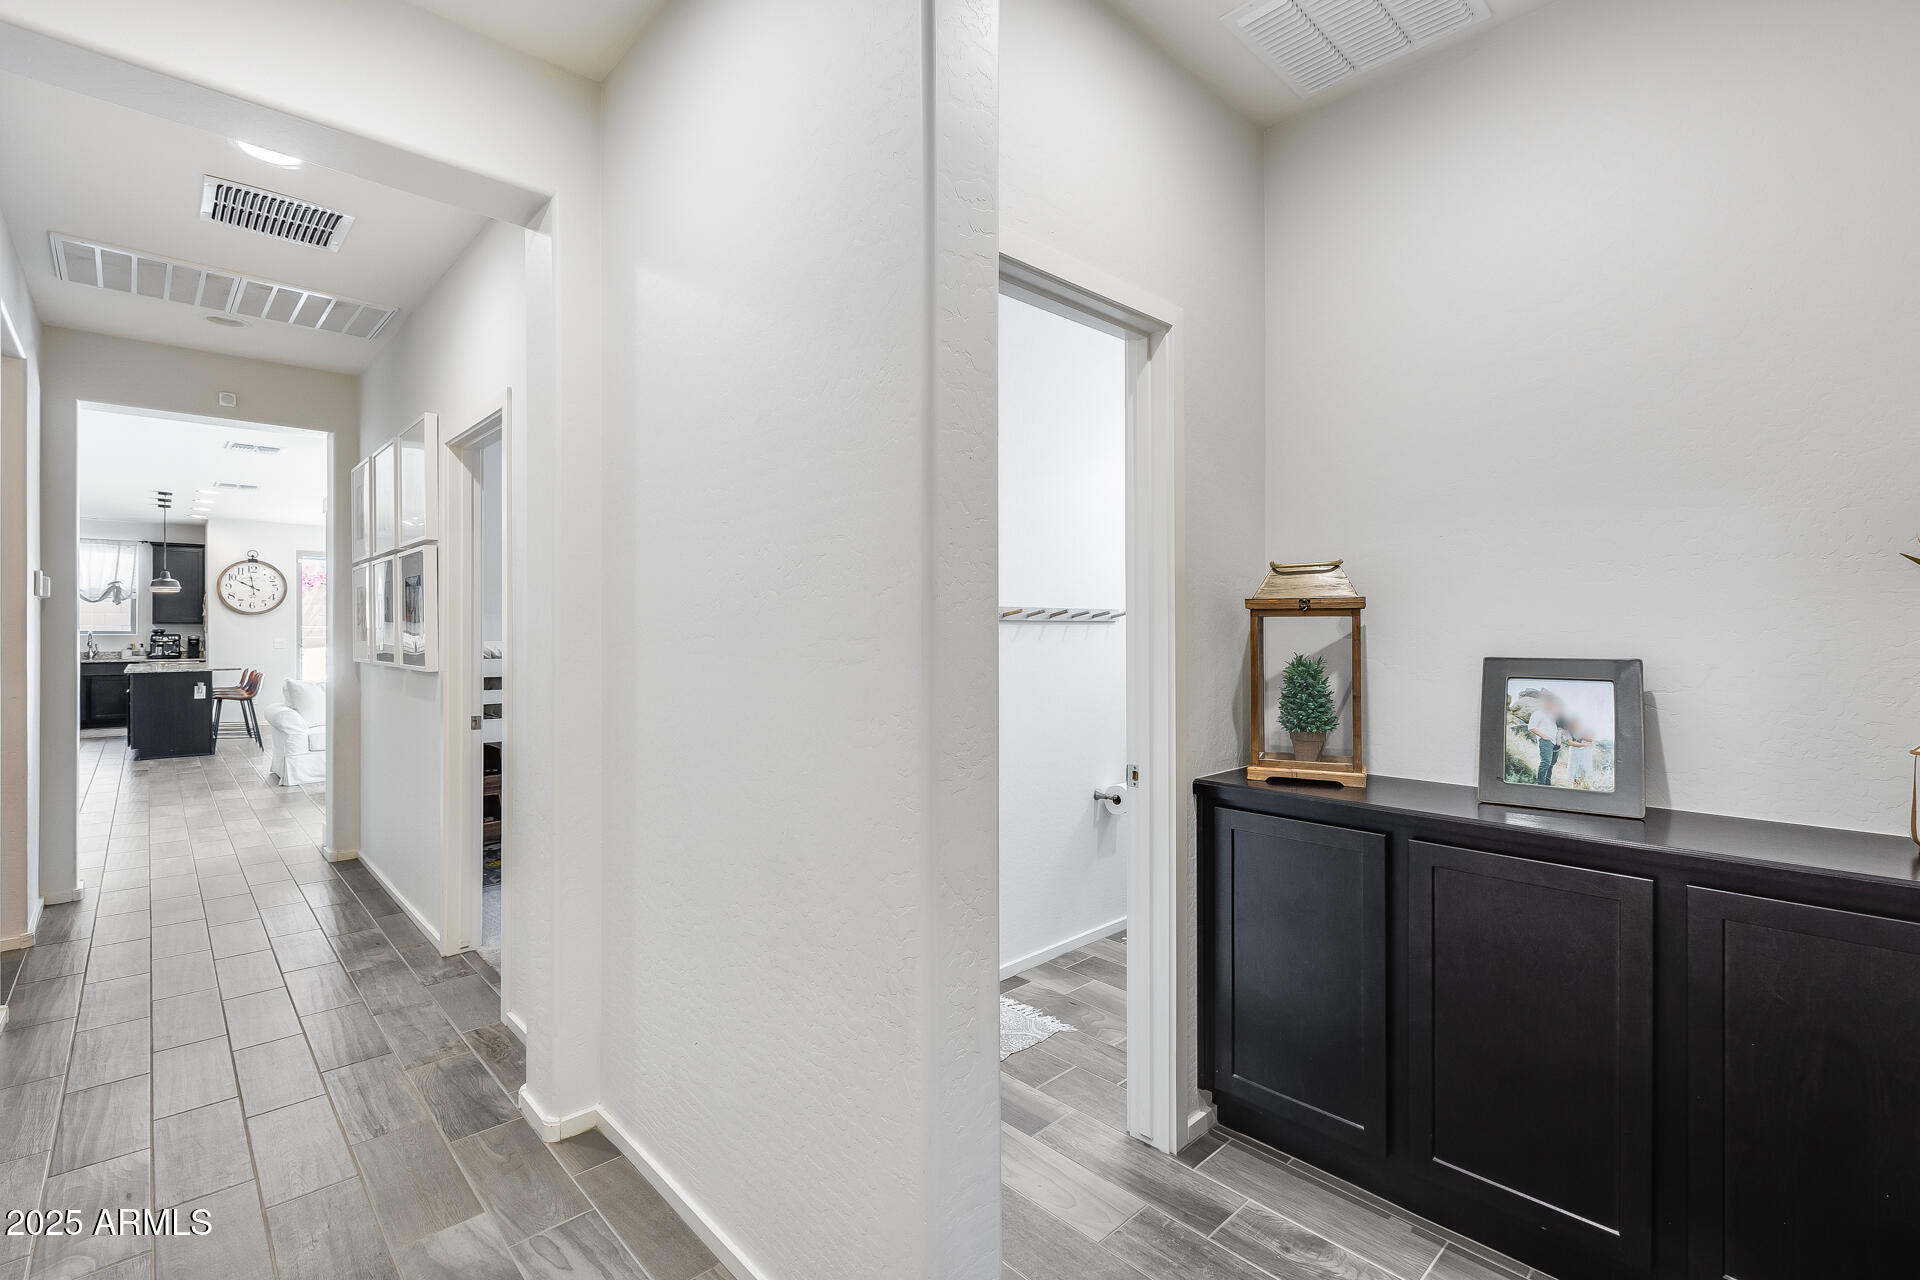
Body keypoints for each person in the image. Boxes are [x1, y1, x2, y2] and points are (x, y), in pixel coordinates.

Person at [1528, 694, 1564, 786]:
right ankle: (1540, 784)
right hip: (1546, 741)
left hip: (1555, 742)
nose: (1550, 705)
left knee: (1551, 764)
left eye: (1551, 703)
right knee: (1546, 762)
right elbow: (1531, 727)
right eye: (1548, 702)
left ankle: (1547, 784)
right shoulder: (1538, 713)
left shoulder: (1553, 716)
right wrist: (1543, 736)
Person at [1565, 717, 1596, 788]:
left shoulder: (1585, 729)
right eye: (1573, 722)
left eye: (1576, 722)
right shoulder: (1568, 731)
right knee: (1575, 768)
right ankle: (1575, 786)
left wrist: (1582, 738)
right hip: (1575, 752)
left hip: (1585, 752)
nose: (1575, 723)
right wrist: (1584, 744)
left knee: (1584, 768)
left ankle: (1581, 785)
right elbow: (1570, 743)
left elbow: (1591, 739)